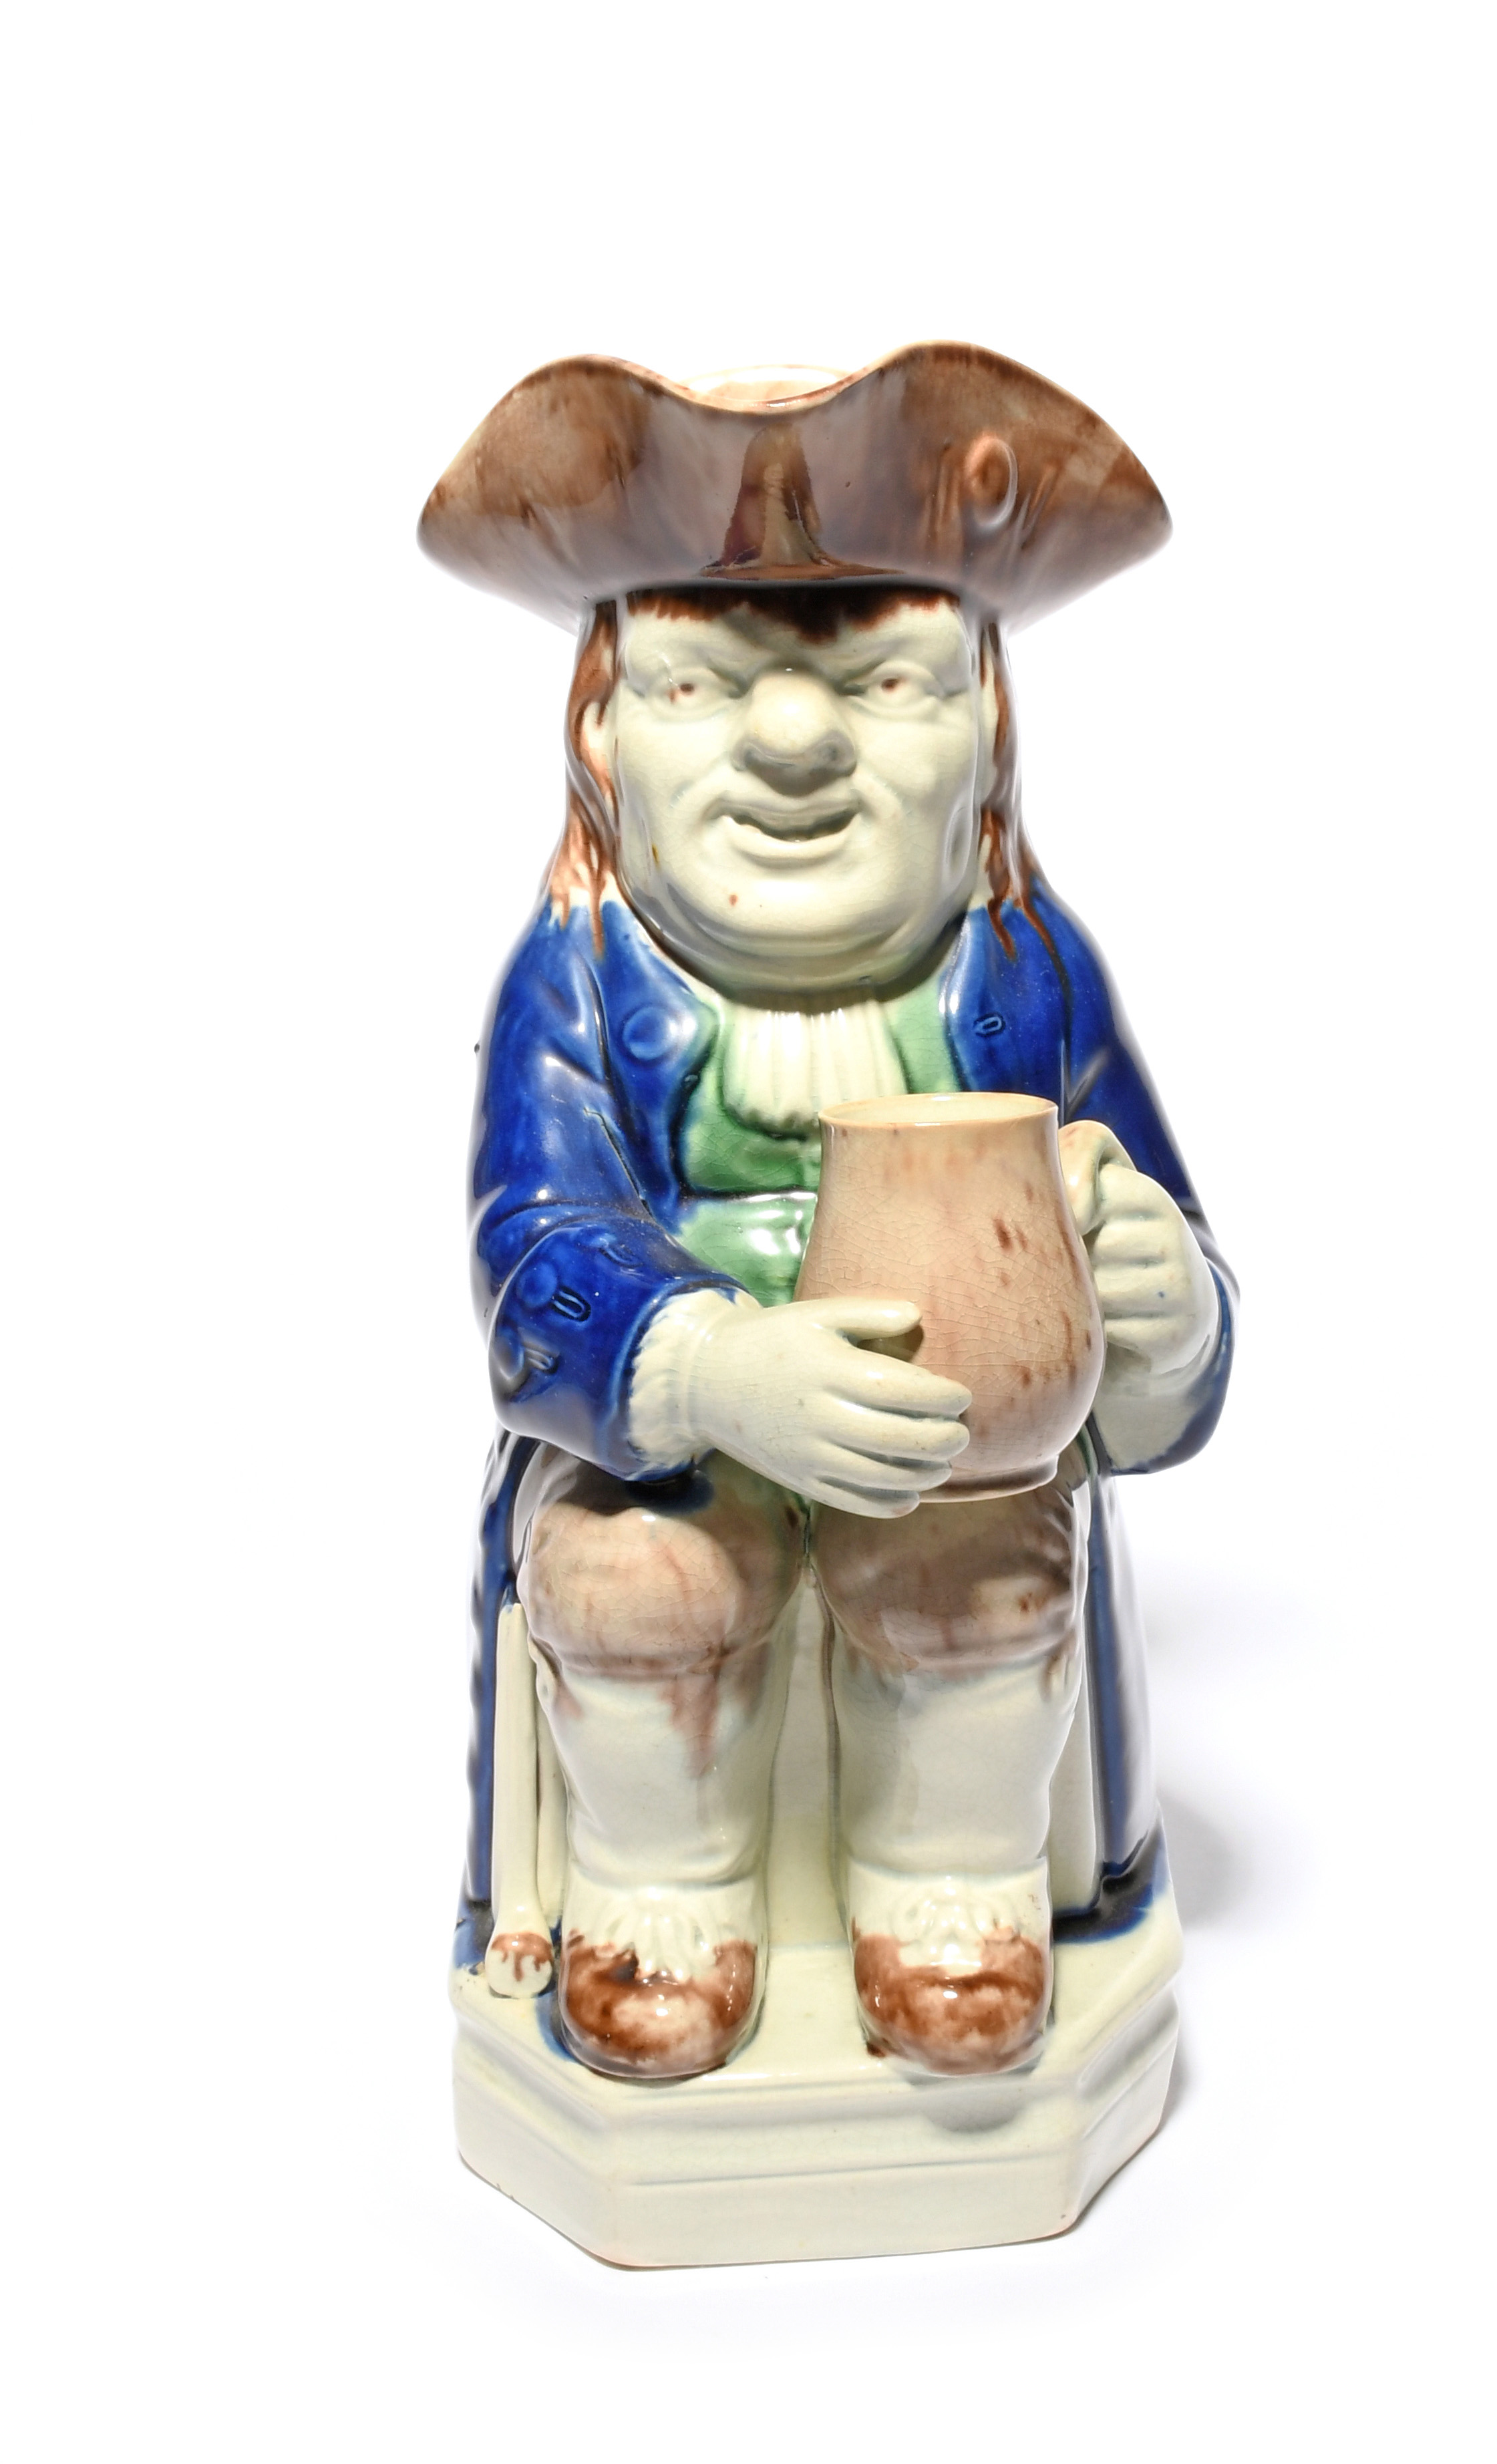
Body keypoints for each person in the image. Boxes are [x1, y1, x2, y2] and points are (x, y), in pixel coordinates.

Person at [420, 346, 1235, 2082]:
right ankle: (662, 1888)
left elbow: (1157, 1250)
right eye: (702, 683)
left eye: (883, 681)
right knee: (634, 1571)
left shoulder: (1028, 976)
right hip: (673, 1451)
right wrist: (706, 1370)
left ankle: (951, 1885)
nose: (794, 744)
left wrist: (1158, 1306)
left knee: (975, 1564)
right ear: (600, 741)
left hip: (963, 1452)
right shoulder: (579, 983)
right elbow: (529, 1252)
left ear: (987, 737)